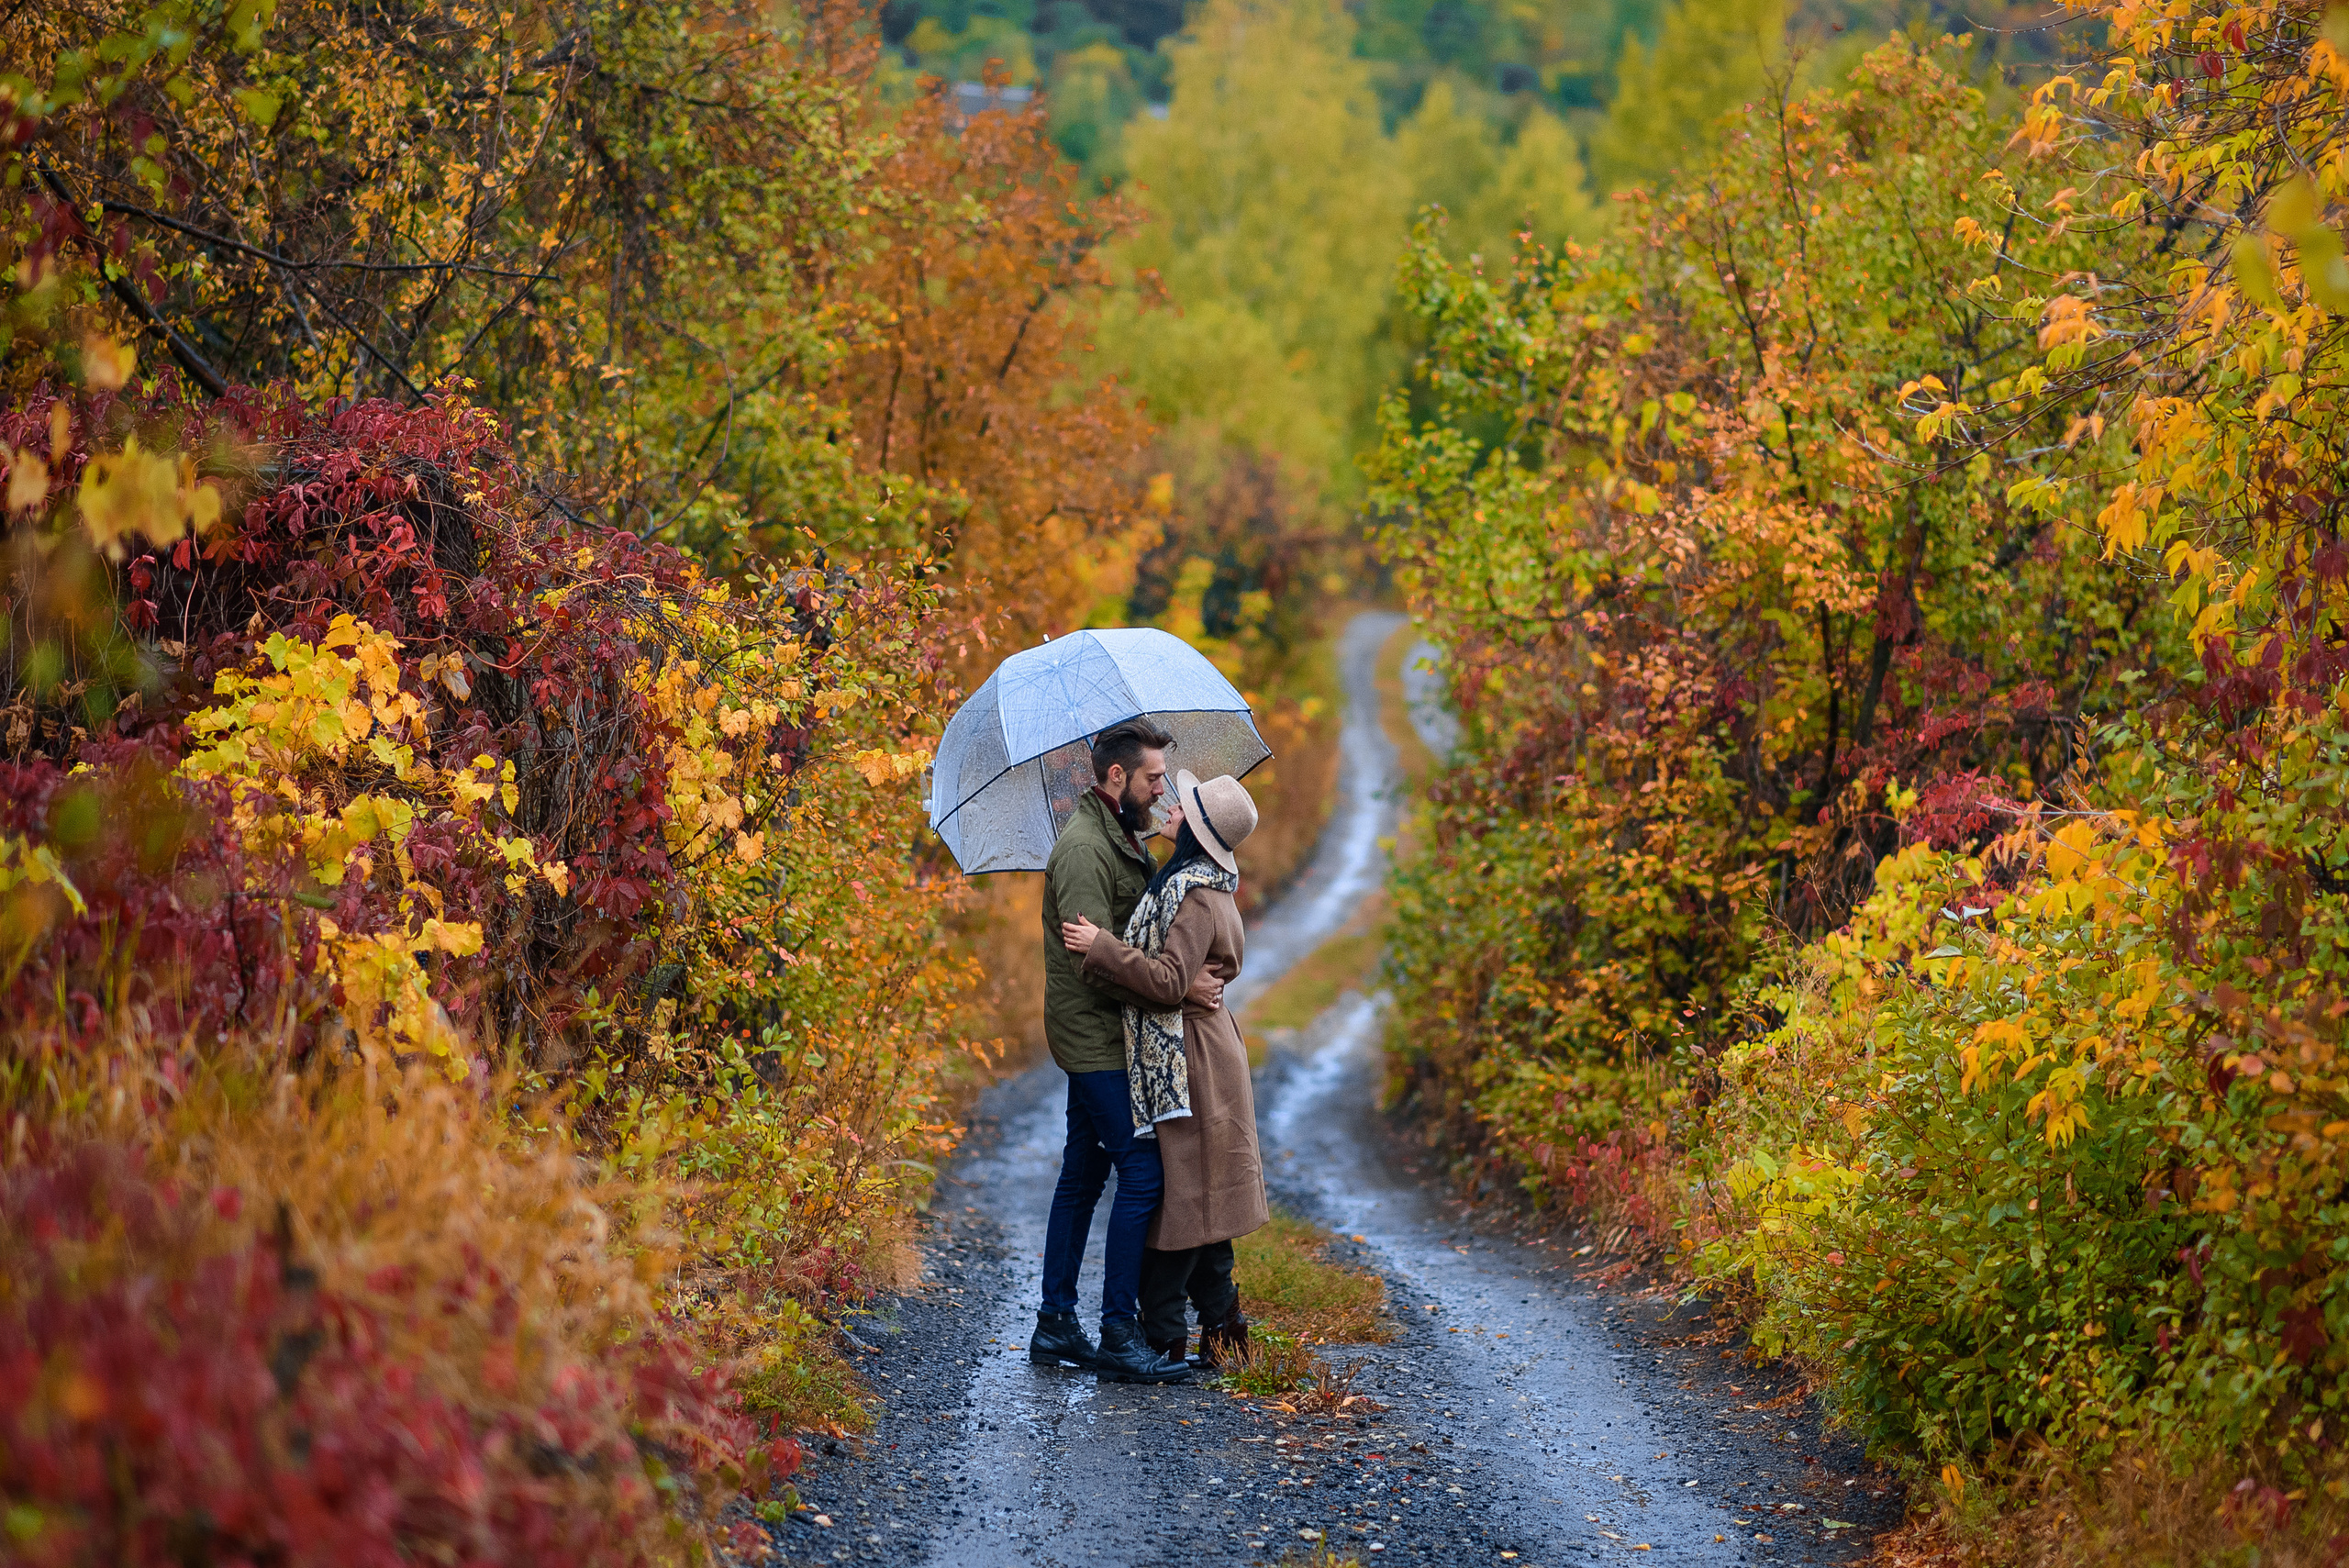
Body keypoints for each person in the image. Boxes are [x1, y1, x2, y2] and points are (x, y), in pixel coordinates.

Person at [1029, 718, 1219, 1385]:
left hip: (1113, 1031)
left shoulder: (1121, 835)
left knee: (1083, 1175)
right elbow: (1093, 960)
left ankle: (1055, 1321)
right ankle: (1117, 1330)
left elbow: (1136, 929)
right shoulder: (1085, 849)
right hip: (1096, 1036)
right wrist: (1180, 985)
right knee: (1142, 1173)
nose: (1162, 788)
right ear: (1118, 777)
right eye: (1153, 777)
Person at [1060, 769, 1267, 1373]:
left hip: (1193, 1056)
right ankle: (1222, 1327)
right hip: (1201, 1046)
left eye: (1185, 809)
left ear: (1197, 832)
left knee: (1184, 1198)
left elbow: (1171, 980)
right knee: (1201, 1194)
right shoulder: (1203, 885)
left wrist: (1102, 947)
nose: (1171, 809)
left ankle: (1167, 1333)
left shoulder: (1196, 894)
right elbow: (1182, 975)